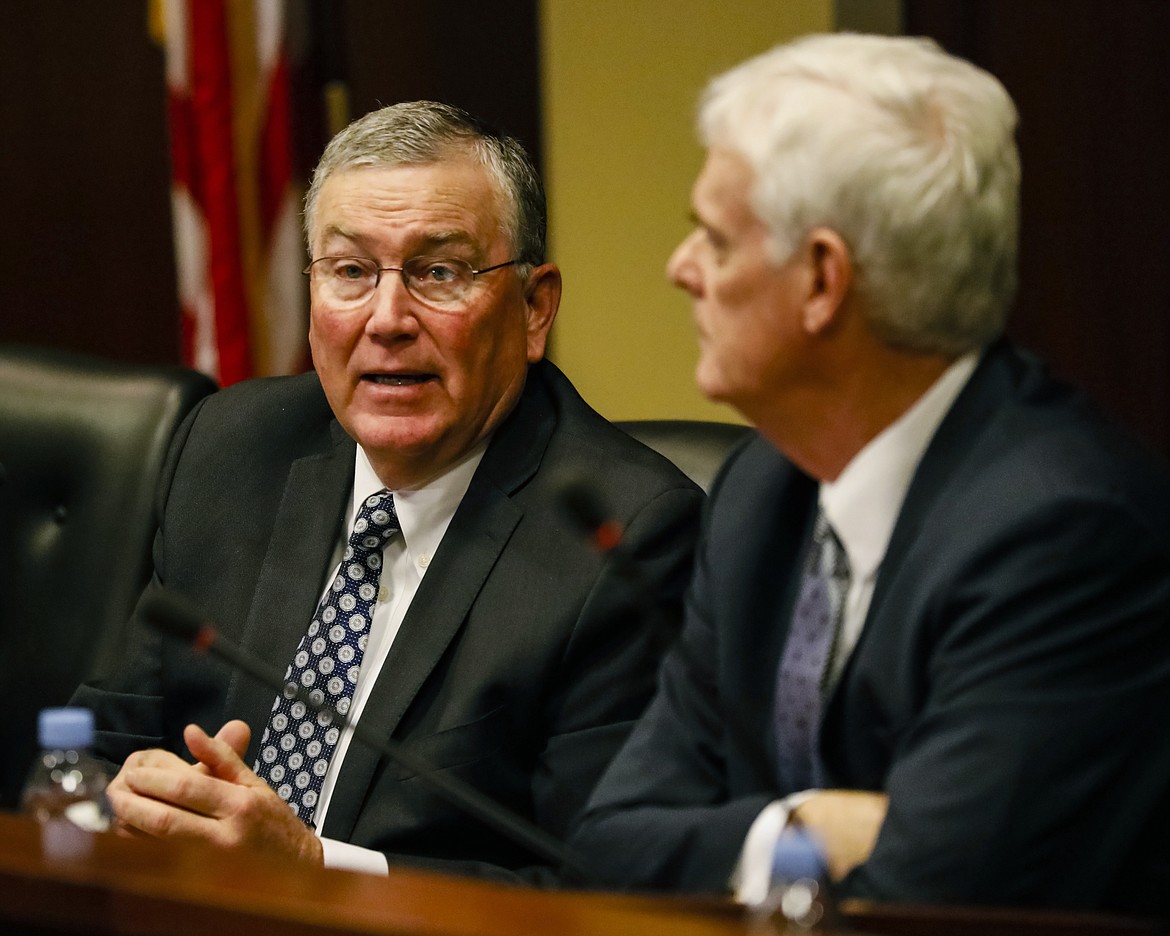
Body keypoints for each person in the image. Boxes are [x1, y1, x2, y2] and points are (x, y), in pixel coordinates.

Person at [570, 33, 1170, 916]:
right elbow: (608, 846)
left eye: (715, 237)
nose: (680, 267)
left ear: (821, 280)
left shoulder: (1062, 532)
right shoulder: (759, 494)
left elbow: (930, 901)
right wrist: (803, 829)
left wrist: (745, 844)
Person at [72, 101, 702, 883]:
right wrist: (123, 801)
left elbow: (606, 891)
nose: (388, 318)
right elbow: (102, 743)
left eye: (439, 271)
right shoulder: (230, 450)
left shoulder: (627, 537)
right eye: (350, 271)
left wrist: (315, 869)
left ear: (534, 308)